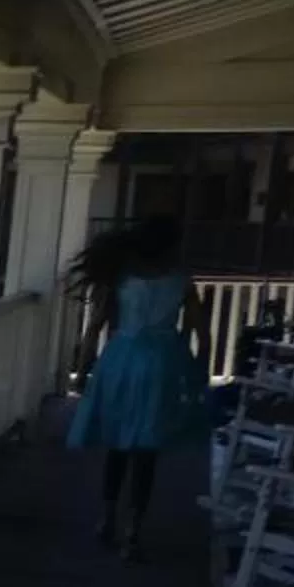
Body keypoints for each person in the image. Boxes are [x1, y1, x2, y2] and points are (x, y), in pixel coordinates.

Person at [66, 216, 210, 560]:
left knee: (118, 442)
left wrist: (83, 370)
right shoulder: (181, 281)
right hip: (164, 362)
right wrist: (198, 374)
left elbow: (96, 326)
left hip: (121, 361)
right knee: (147, 450)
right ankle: (133, 530)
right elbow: (202, 334)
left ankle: (107, 517)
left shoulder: (120, 279)